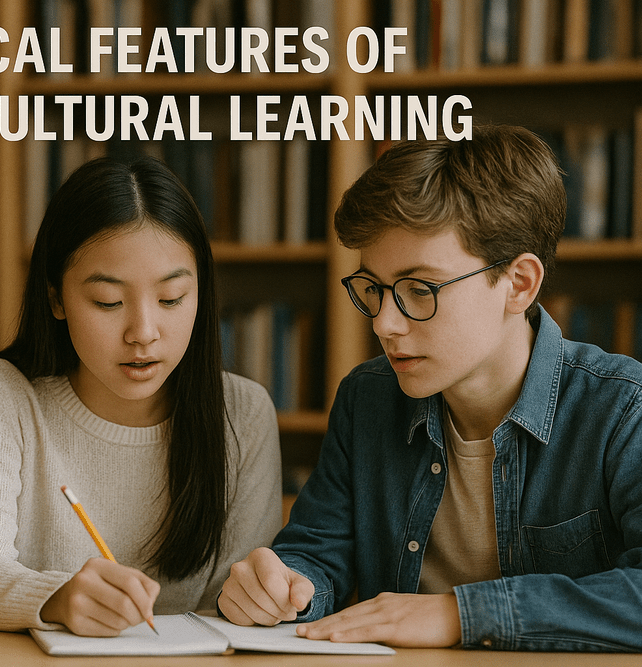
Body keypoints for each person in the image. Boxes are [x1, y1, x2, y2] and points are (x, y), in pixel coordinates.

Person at [218, 125, 642, 652]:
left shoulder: (623, 409)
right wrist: (284, 588)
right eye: (373, 288)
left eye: (419, 290)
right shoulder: (367, 399)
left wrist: (459, 615)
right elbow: (318, 554)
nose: (384, 324)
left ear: (518, 284)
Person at [0, 156, 282, 636]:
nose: (143, 333)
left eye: (171, 299)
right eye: (108, 302)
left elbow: (231, 605)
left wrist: (262, 596)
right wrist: (57, 598)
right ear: (56, 298)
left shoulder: (243, 414)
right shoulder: (1, 396)